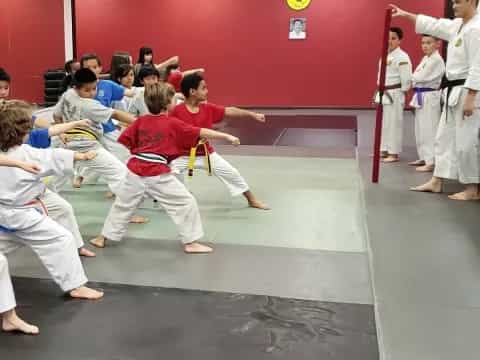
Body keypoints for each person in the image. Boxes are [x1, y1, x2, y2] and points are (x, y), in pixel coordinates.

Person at [89, 83, 241, 253]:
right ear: (168, 103)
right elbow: (201, 132)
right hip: (157, 174)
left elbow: (125, 140)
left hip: (135, 171)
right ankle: (191, 242)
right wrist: (226, 135)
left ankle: (102, 237)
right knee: (185, 201)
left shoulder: (141, 121)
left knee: (123, 204)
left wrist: (142, 151)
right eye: (174, 99)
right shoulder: (172, 123)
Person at [0, 102, 103, 301]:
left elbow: (51, 152)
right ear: (20, 133)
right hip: (23, 216)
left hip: (4, 215)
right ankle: (76, 286)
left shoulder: (8, 154)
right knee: (61, 239)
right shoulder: (26, 153)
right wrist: (80, 155)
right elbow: (52, 156)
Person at [392, 1, 480, 200]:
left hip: (468, 91)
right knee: (443, 138)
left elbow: (478, 65)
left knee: (467, 142)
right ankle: (437, 180)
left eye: (459, 1)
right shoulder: (458, 25)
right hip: (452, 92)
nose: (454, 5)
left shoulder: (476, 28)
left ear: (472, 1)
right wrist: (406, 15)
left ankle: (473, 188)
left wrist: (471, 97)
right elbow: (433, 24)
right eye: (453, 1)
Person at [170, 73, 270, 210]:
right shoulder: (176, 111)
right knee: (165, 174)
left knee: (232, 173)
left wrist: (253, 115)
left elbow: (230, 111)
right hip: (181, 155)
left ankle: (251, 200)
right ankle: (173, 198)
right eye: (203, 88)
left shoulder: (207, 108)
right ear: (192, 91)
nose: (207, 91)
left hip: (205, 153)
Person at [375, 27, 412, 163]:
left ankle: (393, 152)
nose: (390, 41)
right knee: (385, 123)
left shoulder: (402, 57)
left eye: (393, 38)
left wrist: (402, 92)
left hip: (395, 93)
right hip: (384, 93)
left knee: (394, 123)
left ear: (400, 40)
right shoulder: (385, 55)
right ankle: (384, 149)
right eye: (388, 38)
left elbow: (407, 79)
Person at [408, 35, 445, 172]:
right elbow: (416, 76)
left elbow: (420, 77)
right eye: (423, 43)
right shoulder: (426, 58)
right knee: (420, 128)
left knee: (429, 128)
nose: (425, 46)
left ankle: (431, 160)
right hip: (421, 94)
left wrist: (414, 78)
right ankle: (423, 156)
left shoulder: (436, 60)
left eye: (429, 43)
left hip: (430, 96)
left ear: (438, 43)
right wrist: (415, 78)